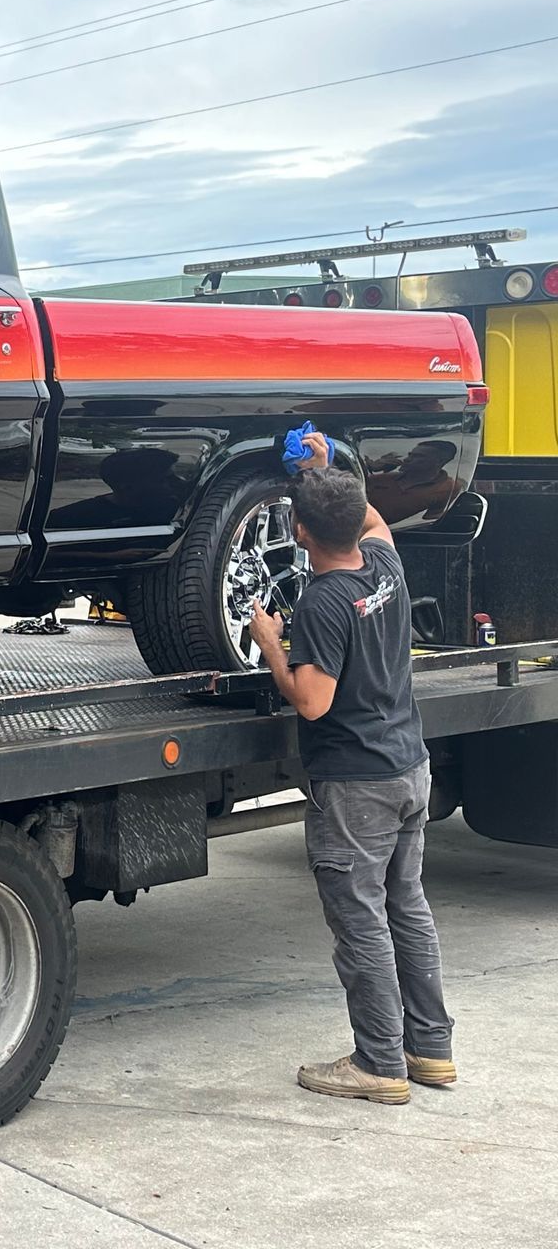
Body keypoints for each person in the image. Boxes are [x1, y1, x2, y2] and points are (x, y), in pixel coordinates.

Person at [248, 433, 455, 1105]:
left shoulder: (324, 602)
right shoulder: (386, 568)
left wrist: (272, 644)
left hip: (357, 785)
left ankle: (377, 1065)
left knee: (362, 921)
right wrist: (330, 463)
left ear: (300, 532)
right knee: (407, 908)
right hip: (407, 766)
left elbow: (312, 701)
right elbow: (371, 518)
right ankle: (430, 1052)